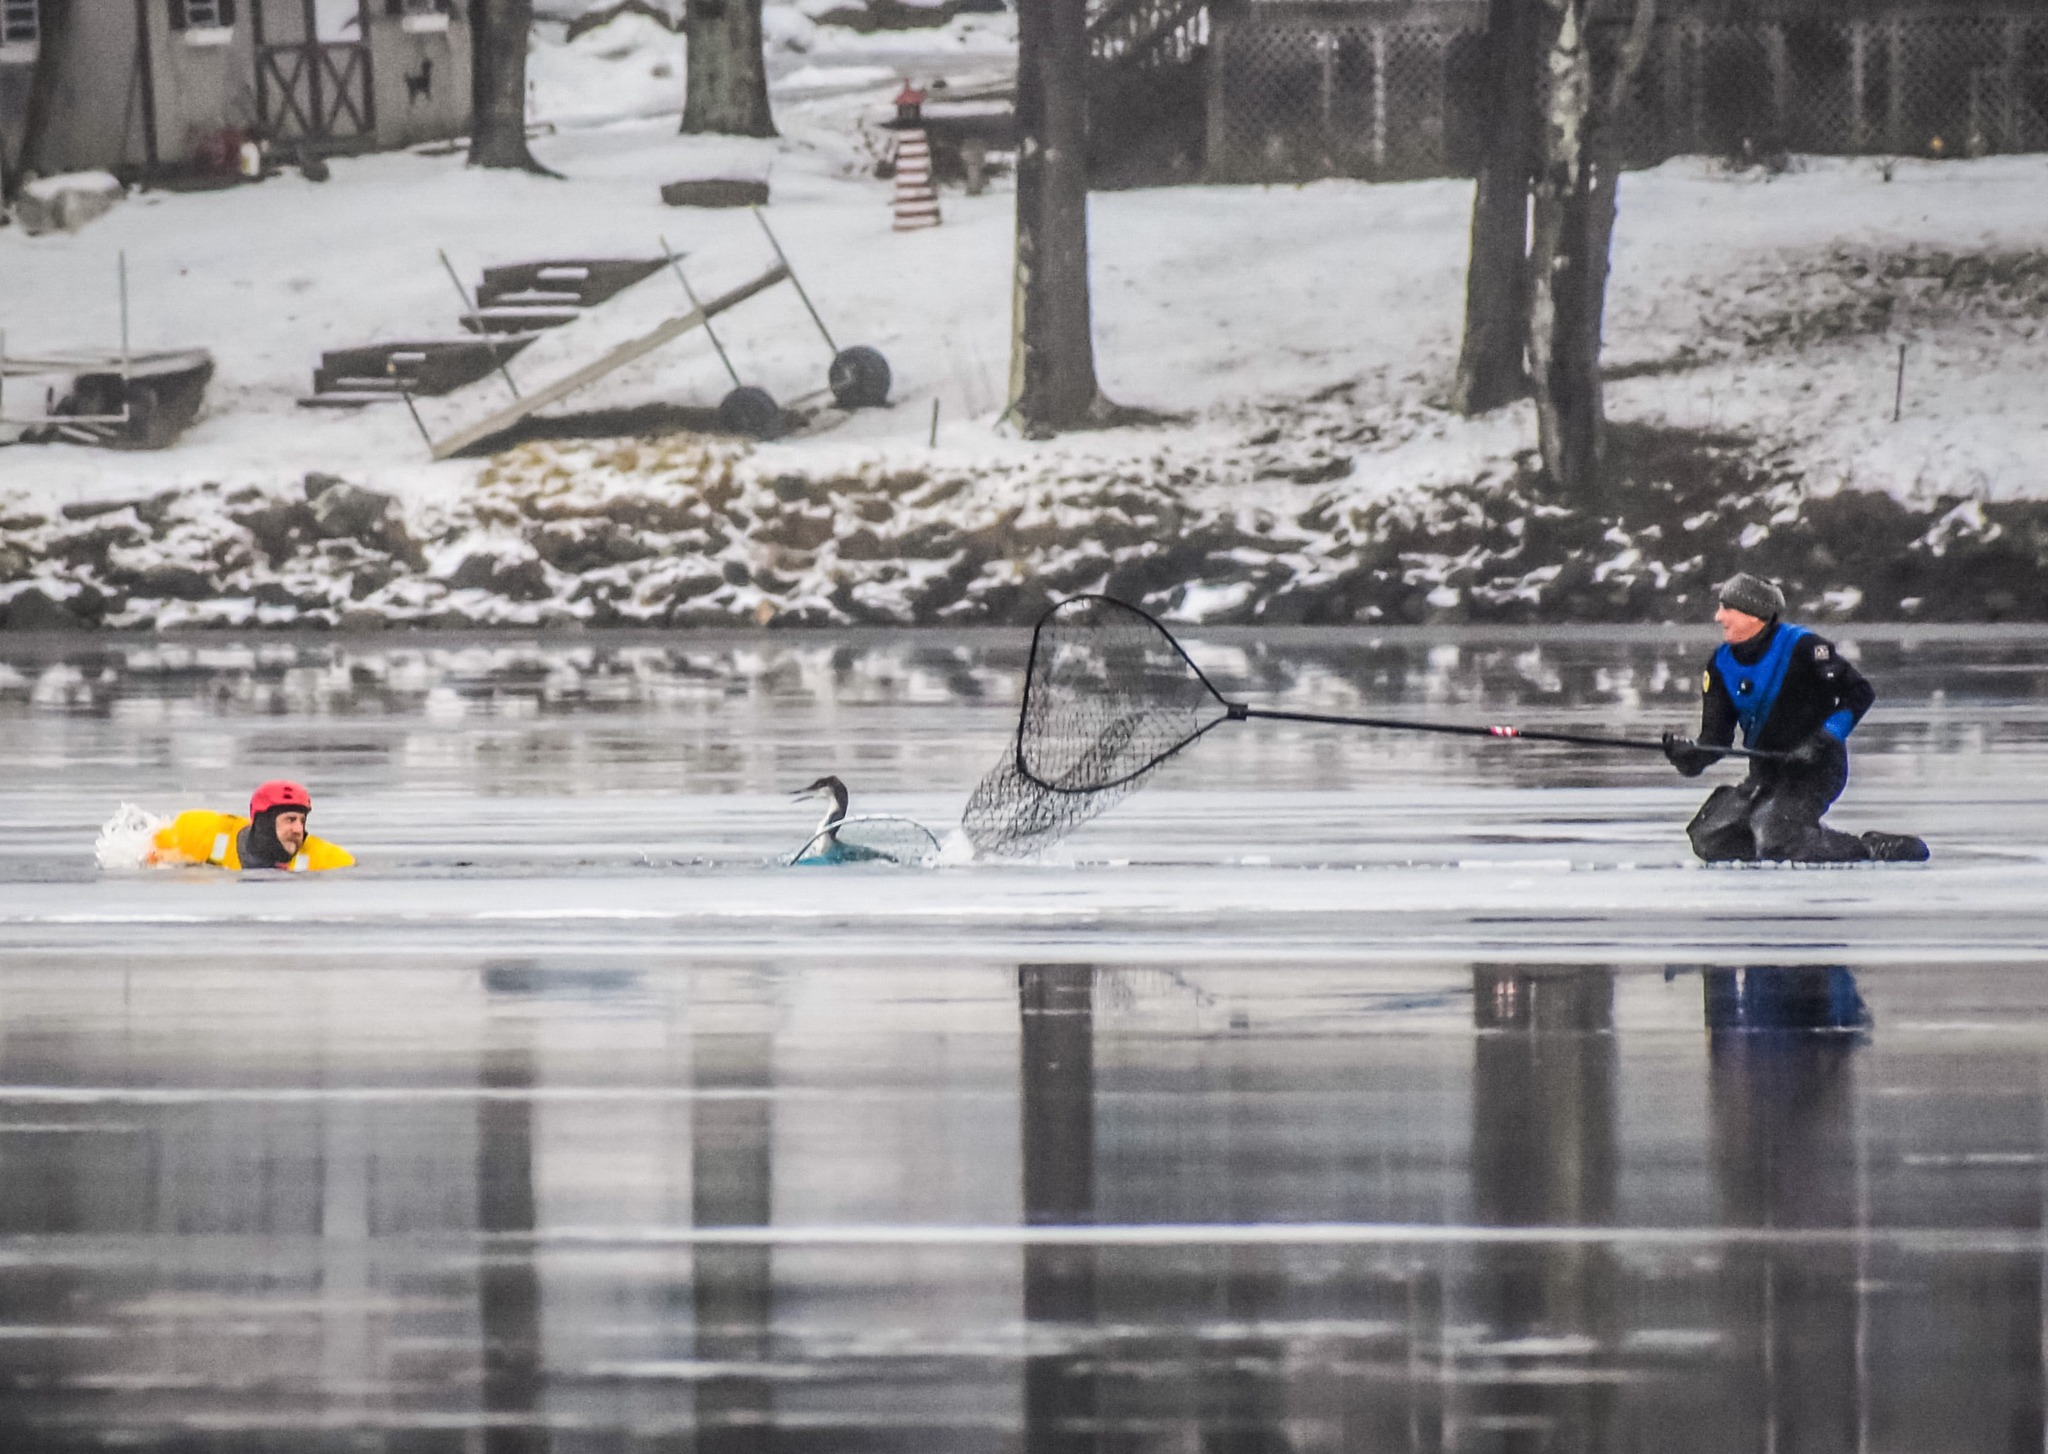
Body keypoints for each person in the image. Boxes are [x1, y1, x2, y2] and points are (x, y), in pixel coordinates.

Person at [1662, 574, 1928, 864]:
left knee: (1775, 837)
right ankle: (1798, 836)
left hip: (1816, 770)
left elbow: (1859, 694)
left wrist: (1820, 741)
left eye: (1728, 609)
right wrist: (1687, 756)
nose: (1718, 617)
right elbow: (1716, 739)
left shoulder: (1805, 648)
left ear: (1755, 615)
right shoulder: (1720, 666)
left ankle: (1868, 849)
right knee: (1711, 837)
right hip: (1766, 775)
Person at [146, 780, 355, 872]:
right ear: (263, 822)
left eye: (302, 820)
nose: (299, 830)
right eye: (290, 820)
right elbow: (151, 856)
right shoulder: (201, 830)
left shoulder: (329, 859)